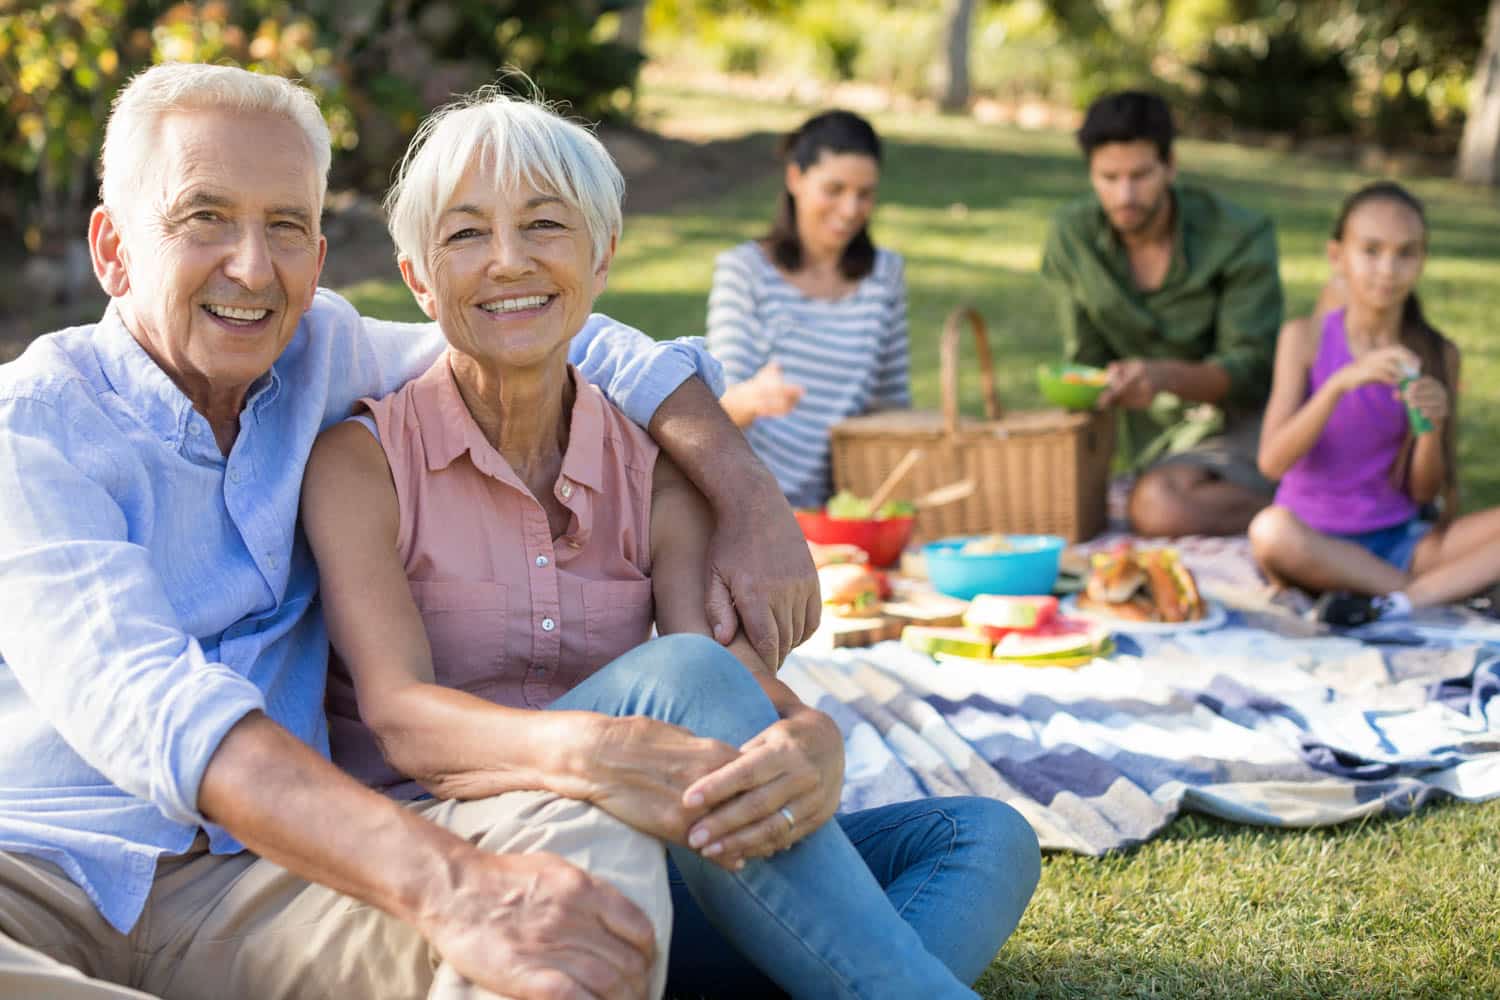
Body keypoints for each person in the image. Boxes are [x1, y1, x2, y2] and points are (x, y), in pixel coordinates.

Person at [0, 62, 824, 1000]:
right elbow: (149, 704)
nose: (251, 267)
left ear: (318, 256)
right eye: (205, 218)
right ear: (113, 250)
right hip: (34, 873)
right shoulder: (30, 428)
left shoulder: (320, 351)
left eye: (285, 227)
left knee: (576, 851)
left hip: (267, 878)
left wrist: (752, 500)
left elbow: (552, 324)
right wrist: (451, 885)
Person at [301, 87, 1040, 1000]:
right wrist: (605, 754)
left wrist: (809, 739)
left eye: (544, 225)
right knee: (680, 676)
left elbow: (734, 686)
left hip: (634, 853)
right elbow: (403, 720)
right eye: (464, 236)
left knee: (980, 838)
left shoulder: (652, 470)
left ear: (602, 255)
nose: (507, 261)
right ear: (418, 278)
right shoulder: (359, 462)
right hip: (462, 875)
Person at [1248, 181, 1500, 625]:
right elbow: (1271, 462)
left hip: (1401, 543)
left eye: (1406, 253)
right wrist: (1337, 386)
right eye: (1371, 250)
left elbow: (1423, 492)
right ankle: (1427, 596)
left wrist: (1430, 427)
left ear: (1421, 261)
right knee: (1268, 530)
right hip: (1312, 542)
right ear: (1336, 256)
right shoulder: (1304, 339)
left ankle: (1396, 599)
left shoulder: (1438, 354)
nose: (1388, 269)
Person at [1040, 90, 1285, 537]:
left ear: (1170, 166)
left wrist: (1164, 376)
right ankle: (1310, 506)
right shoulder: (1072, 235)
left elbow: (1251, 368)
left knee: (1158, 509)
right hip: (1158, 438)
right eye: (1108, 177)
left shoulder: (1238, 236)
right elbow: (1085, 364)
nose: (1124, 194)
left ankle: (1315, 509)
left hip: (1245, 422)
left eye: (1140, 175)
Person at [707, 109, 910, 510]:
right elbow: (719, 408)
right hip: (749, 504)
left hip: (841, 507)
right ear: (796, 179)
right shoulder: (745, 270)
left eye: (865, 193)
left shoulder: (884, 274)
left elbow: (890, 405)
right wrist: (757, 397)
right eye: (834, 189)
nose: (851, 209)